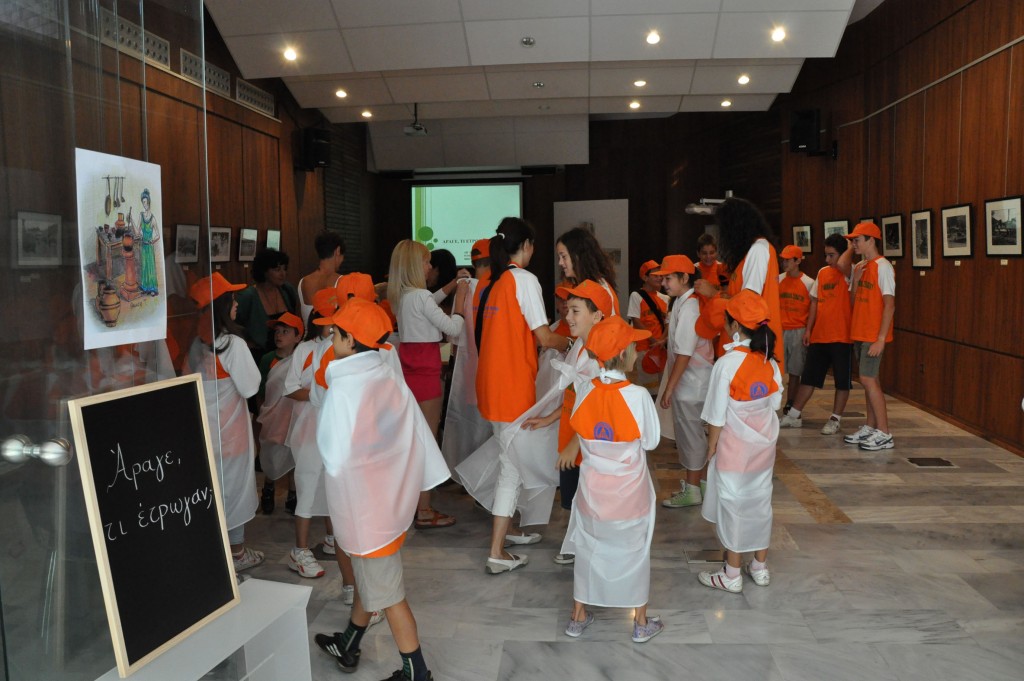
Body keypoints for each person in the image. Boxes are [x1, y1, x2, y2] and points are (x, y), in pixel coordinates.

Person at [312, 298, 448, 681]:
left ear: (350, 340)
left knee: (390, 597)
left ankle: (416, 671)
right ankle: (349, 643)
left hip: (367, 514)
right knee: (372, 581)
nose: (330, 338)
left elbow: (334, 454)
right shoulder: (384, 375)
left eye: (335, 333)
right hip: (386, 505)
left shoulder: (346, 388)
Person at [474, 217, 570, 574]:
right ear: (527, 245)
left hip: (490, 386)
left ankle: (509, 532)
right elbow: (544, 336)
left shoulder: (493, 282)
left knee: (507, 461)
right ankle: (497, 552)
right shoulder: (524, 280)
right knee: (511, 470)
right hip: (512, 388)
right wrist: (573, 342)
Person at [560, 315, 663, 643]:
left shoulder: (585, 390)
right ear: (623, 353)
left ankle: (577, 616)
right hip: (629, 498)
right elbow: (651, 442)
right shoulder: (638, 396)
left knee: (588, 551)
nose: (637, 350)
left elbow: (581, 434)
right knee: (635, 554)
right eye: (633, 345)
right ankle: (640, 622)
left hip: (592, 496)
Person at [522, 280, 612, 565]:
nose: (568, 316)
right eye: (567, 309)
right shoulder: (580, 347)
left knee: (586, 496)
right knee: (575, 497)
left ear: (597, 316)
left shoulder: (598, 354)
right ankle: (578, 543)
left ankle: (582, 547)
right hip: (572, 434)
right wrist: (549, 419)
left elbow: (597, 406)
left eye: (575, 311)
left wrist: (574, 443)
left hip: (584, 441)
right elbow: (573, 395)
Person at [698, 290, 782, 593]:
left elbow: (716, 416)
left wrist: (711, 448)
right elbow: (775, 404)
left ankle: (731, 574)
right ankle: (759, 567)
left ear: (733, 325)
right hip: (763, 451)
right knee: (760, 503)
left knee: (733, 506)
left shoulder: (727, 363)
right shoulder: (770, 362)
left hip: (734, 451)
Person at [388, 239, 469, 528]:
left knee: (414, 441)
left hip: (410, 372)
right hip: (426, 373)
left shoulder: (403, 296)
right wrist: (460, 299)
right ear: (415, 266)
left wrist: (451, 285)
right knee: (427, 443)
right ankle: (423, 509)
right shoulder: (420, 297)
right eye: (425, 261)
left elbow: (428, 302)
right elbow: (453, 328)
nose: (429, 266)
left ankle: (412, 505)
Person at [185, 273, 263, 572]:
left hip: (202, 436)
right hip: (231, 436)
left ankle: (212, 554)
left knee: (211, 494)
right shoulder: (232, 345)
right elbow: (251, 387)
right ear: (221, 305)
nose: (236, 303)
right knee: (234, 494)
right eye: (232, 299)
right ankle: (236, 554)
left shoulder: (196, 345)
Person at [283, 289, 339, 581]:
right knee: (307, 485)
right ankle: (300, 550)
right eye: (327, 321)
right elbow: (290, 388)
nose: (331, 327)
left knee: (332, 483)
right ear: (315, 319)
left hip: (332, 427)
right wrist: (319, 396)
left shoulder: (341, 347)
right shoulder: (304, 350)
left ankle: (332, 539)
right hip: (308, 428)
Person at [695, 197, 784, 372]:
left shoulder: (759, 249)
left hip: (751, 344)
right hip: (740, 341)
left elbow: (747, 304)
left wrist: (714, 293)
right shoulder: (751, 251)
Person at [779, 234, 854, 434]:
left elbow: (844, 263)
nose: (827, 259)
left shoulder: (850, 272)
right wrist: (809, 329)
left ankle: (835, 419)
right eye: (826, 255)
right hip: (820, 336)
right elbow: (814, 302)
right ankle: (794, 415)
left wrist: (849, 247)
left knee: (842, 381)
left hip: (842, 337)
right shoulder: (822, 272)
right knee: (809, 378)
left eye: (832, 255)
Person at [655, 255, 714, 509]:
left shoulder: (690, 306)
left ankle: (693, 490)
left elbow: (684, 353)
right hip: (689, 382)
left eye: (668, 278)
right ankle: (702, 485)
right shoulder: (682, 302)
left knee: (692, 438)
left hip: (692, 384)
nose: (664, 284)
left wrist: (669, 387)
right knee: (692, 436)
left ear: (685, 278)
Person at [841, 222, 896, 451]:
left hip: (873, 335)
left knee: (868, 379)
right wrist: (856, 279)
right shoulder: (861, 266)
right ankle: (871, 426)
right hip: (860, 332)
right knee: (869, 380)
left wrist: (881, 338)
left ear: (871, 240)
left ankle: (884, 433)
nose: (853, 244)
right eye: (852, 240)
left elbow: (889, 305)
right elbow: (853, 301)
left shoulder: (883, 267)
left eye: (857, 240)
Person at [440, 239, 493, 472]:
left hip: (467, 369)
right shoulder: (497, 289)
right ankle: (481, 477)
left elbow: (454, 338)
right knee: (488, 429)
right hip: (491, 370)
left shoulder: (465, 289)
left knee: (467, 425)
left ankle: (465, 474)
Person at [256, 312, 304, 515]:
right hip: (272, 417)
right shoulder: (268, 359)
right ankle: (268, 490)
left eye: (285, 331)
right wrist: (263, 412)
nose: (279, 335)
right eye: (277, 331)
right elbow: (261, 389)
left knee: (293, 455)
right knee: (271, 454)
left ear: (298, 337)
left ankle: (293, 495)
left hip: (292, 416)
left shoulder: (300, 360)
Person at [235, 247, 299, 362]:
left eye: (284, 269)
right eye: (277, 269)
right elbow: (231, 324)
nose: (283, 274)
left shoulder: (287, 290)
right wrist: (246, 342)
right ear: (264, 271)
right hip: (258, 356)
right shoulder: (248, 296)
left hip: (286, 354)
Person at [777, 245, 815, 413]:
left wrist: (808, 330)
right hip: (780, 329)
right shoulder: (778, 280)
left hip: (798, 329)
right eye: (783, 260)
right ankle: (771, 401)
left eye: (788, 260)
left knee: (795, 370)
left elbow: (813, 309)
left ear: (798, 261)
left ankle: (790, 402)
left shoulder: (808, 283)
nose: (785, 263)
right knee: (775, 368)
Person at [555, 226, 620, 314]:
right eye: (559, 257)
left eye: (563, 256)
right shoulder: (582, 285)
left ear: (577, 256)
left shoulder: (599, 289)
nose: (560, 262)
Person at [627, 260, 669, 388]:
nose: (659, 278)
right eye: (655, 275)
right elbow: (636, 320)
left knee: (662, 386)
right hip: (644, 348)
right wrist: (652, 339)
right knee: (649, 386)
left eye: (661, 275)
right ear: (645, 278)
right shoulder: (636, 296)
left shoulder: (666, 298)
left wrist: (661, 341)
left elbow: (668, 323)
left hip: (662, 349)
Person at [298, 230, 345, 323]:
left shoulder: (303, 282)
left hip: (308, 333)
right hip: (334, 332)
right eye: (343, 256)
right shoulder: (342, 281)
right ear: (338, 251)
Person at [136, 188, 159, 296]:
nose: (144, 204)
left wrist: (152, 240)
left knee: (150, 267)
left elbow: (158, 235)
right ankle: (145, 287)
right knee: (144, 266)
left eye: (145, 202)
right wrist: (131, 220)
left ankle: (152, 288)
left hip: (149, 247)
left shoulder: (153, 219)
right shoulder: (141, 215)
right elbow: (137, 232)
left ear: (149, 201)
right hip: (143, 246)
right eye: (143, 202)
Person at [695, 232, 728, 300]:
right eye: (704, 253)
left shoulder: (723, 268)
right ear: (698, 254)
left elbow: (728, 296)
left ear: (716, 252)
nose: (708, 257)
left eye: (712, 252)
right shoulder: (694, 270)